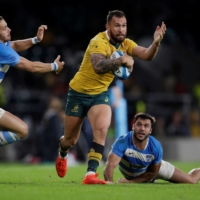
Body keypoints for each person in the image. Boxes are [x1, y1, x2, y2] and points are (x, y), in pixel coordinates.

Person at [55, 10, 166, 184]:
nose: (121, 30)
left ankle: (90, 174)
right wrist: (121, 60)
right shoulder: (97, 41)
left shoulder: (126, 44)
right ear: (108, 26)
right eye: (117, 26)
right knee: (70, 140)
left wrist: (156, 43)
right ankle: (62, 152)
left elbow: (146, 54)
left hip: (99, 94)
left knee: (102, 128)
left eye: (124, 26)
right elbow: (98, 66)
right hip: (78, 93)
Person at [0, 16, 65, 147]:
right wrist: (54, 66)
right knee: (21, 130)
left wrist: (35, 40)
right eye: (4, 28)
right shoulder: (2, 51)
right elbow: (31, 66)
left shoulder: (4, 46)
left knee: (21, 130)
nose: (9, 29)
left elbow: (15, 45)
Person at [103, 112, 200, 184]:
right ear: (133, 126)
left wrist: (131, 181)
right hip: (141, 172)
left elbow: (153, 172)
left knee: (191, 180)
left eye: (146, 126)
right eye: (139, 124)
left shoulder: (155, 146)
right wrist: (109, 182)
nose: (142, 128)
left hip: (154, 170)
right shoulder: (123, 142)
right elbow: (110, 165)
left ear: (150, 130)